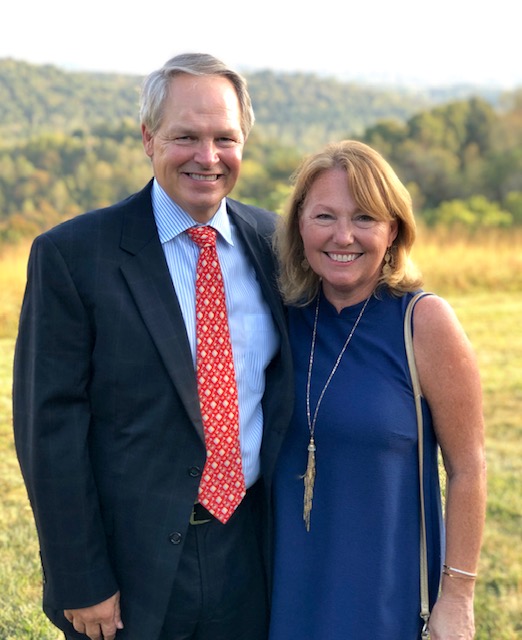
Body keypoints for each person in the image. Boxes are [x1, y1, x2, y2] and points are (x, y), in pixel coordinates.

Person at [13, 53, 293, 640]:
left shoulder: (275, 244)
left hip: (250, 552)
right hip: (129, 568)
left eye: (224, 138)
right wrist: (81, 578)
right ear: (148, 138)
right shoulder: (74, 255)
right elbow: (49, 431)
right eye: (185, 136)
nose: (207, 157)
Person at [268, 140, 486, 640]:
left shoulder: (424, 323)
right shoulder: (280, 318)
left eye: (365, 218)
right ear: (299, 224)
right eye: (325, 216)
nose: (343, 235)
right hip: (283, 589)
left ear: (393, 231)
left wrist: (457, 597)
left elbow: (468, 467)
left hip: (383, 593)